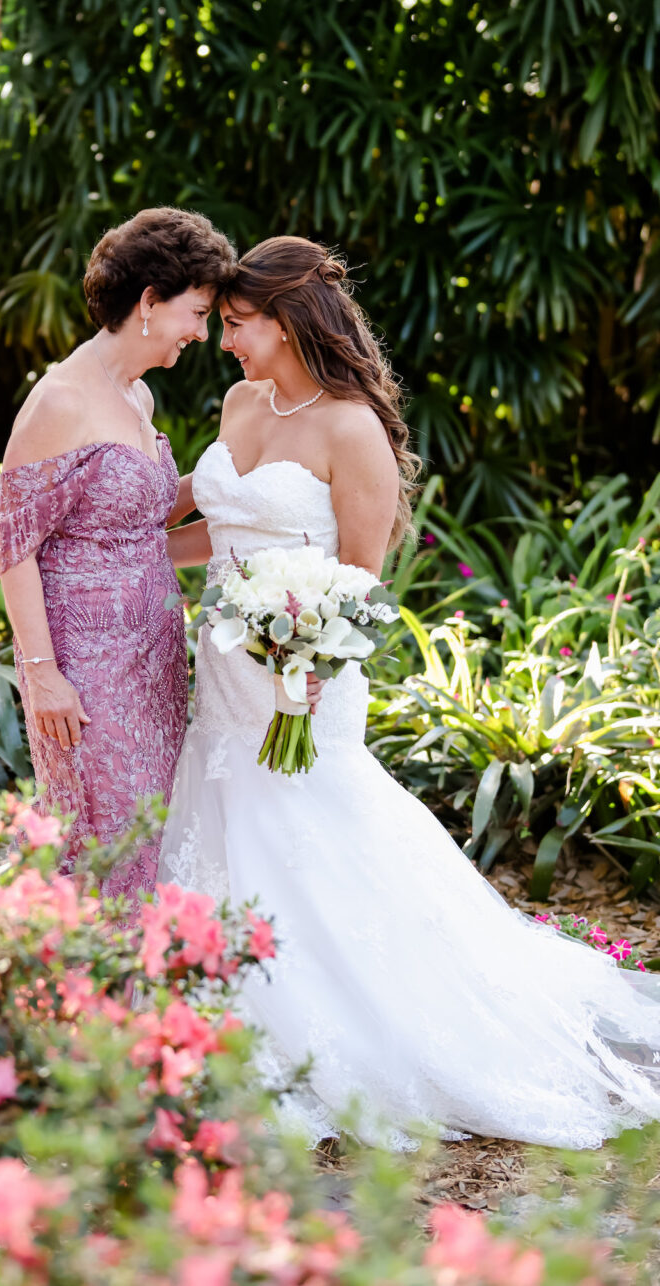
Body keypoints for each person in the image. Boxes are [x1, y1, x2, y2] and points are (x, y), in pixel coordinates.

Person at [159, 235, 660, 1149]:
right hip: (226, 669)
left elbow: (361, 574)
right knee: (229, 818)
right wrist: (136, 553)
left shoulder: (352, 428)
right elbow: (219, 531)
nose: (226, 342)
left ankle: (348, 1029)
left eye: (237, 325)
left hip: (304, 674)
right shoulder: (238, 402)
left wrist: (306, 666)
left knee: (313, 829)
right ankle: (222, 1011)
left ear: (288, 317)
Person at [0, 207, 236, 897]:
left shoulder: (139, 396)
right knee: (105, 835)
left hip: (154, 656)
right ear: (150, 303)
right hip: (84, 667)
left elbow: (144, 521)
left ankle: (141, 990)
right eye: (197, 312)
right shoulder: (61, 401)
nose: (202, 332)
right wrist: (43, 674)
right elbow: (13, 545)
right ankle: (87, 989)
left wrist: (243, 485)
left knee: (154, 831)